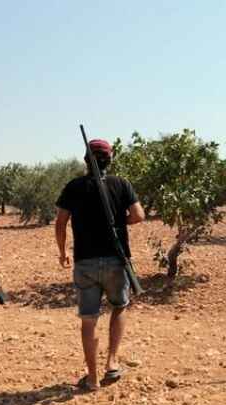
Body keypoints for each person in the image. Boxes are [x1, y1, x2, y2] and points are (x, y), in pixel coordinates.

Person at [55, 138, 145, 391]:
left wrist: (62, 252)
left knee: (88, 319)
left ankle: (92, 377)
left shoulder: (73, 187)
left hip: (85, 262)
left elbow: (60, 222)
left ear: (86, 160)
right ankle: (112, 363)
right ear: (110, 159)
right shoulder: (121, 184)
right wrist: (118, 221)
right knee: (119, 307)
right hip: (117, 261)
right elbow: (138, 215)